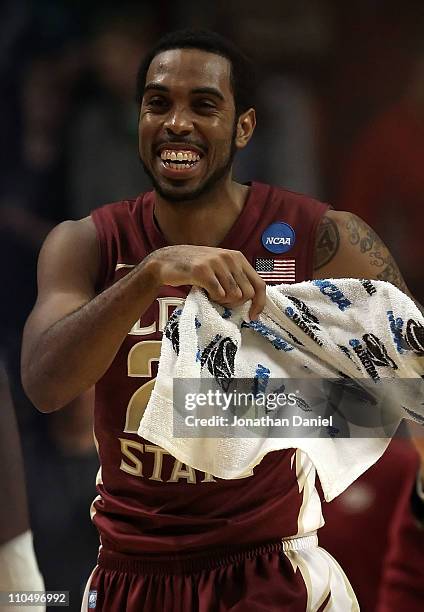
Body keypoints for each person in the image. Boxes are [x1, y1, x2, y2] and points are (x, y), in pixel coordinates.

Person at [20, 29, 423, 611]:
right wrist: (150, 274)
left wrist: (285, 409)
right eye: (158, 103)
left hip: (269, 568)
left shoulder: (321, 235)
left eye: (203, 105)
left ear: (244, 128)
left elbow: (413, 384)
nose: (177, 122)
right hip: (126, 573)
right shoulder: (86, 243)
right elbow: (44, 385)